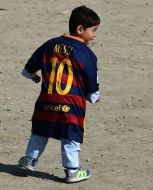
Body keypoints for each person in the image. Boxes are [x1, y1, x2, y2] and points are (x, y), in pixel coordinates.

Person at [18, 5, 100, 183]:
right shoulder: (86, 53)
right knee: (71, 135)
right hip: (72, 104)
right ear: (80, 29)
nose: (94, 35)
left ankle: (30, 160)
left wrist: (33, 76)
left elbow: (27, 70)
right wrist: (94, 95)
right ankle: (72, 171)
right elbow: (91, 80)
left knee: (40, 131)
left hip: (46, 100)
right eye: (93, 31)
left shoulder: (50, 44)